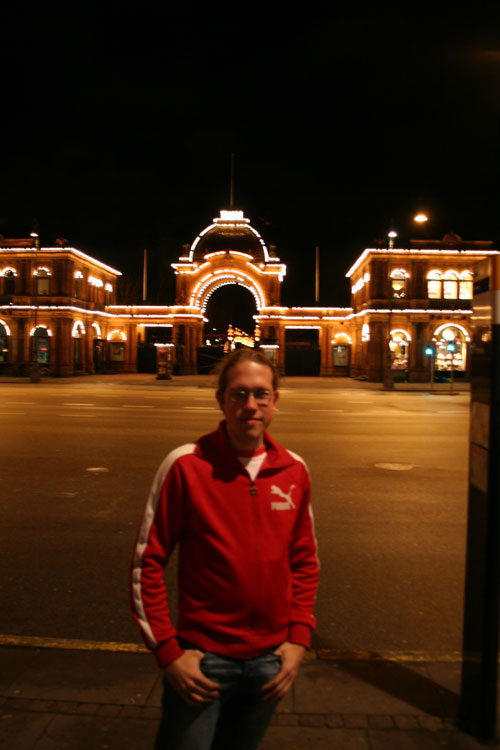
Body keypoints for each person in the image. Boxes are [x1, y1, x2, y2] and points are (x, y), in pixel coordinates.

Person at [130, 348, 319, 749]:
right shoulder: (186, 465)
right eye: (238, 394)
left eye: (261, 394)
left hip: (271, 661)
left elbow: (305, 561)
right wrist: (168, 650)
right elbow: (147, 562)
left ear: (275, 401)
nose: (250, 405)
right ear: (221, 400)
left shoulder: (293, 470)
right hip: (202, 660)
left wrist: (299, 639)